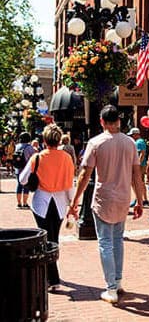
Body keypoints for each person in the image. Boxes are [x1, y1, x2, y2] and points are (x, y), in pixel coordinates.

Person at [67, 105, 144, 304]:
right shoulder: (130, 143)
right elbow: (137, 174)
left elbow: (85, 175)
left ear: (102, 121)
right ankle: (117, 282)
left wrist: (75, 201)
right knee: (117, 240)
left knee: (105, 242)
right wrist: (140, 200)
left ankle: (111, 287)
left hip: (103, 198)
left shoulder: (95, 142)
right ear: (118, 120)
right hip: (123, 197)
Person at [19, 124, 75, 291]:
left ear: (44, 140)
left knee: (44, 239)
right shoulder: (66, 158)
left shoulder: (37, 157)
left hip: (41, 202)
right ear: (59, 140)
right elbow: (70, 184)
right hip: (59, 203)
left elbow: (22, 179)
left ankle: (52, 277)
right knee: (54, 238)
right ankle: (52, 276)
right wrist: (73, 204)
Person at [127, 127, 149, 207]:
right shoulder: (139, 142)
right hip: (139, 165)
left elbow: (142, 154)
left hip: (139, 166)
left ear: (136, 134)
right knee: (137, 182)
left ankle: (142, 199)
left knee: (136, 182)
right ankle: (141, 199)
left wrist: (138, 165)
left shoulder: (139, 142)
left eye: (132, 135)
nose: (131, 137)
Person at [14, 132, 35, 209]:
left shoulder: (17, 146)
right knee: (26, 186)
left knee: (19, 186)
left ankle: (19, 203)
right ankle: (25, 203)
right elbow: (33, 157)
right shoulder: (29, 147)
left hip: (18, 169)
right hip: (26, 169)